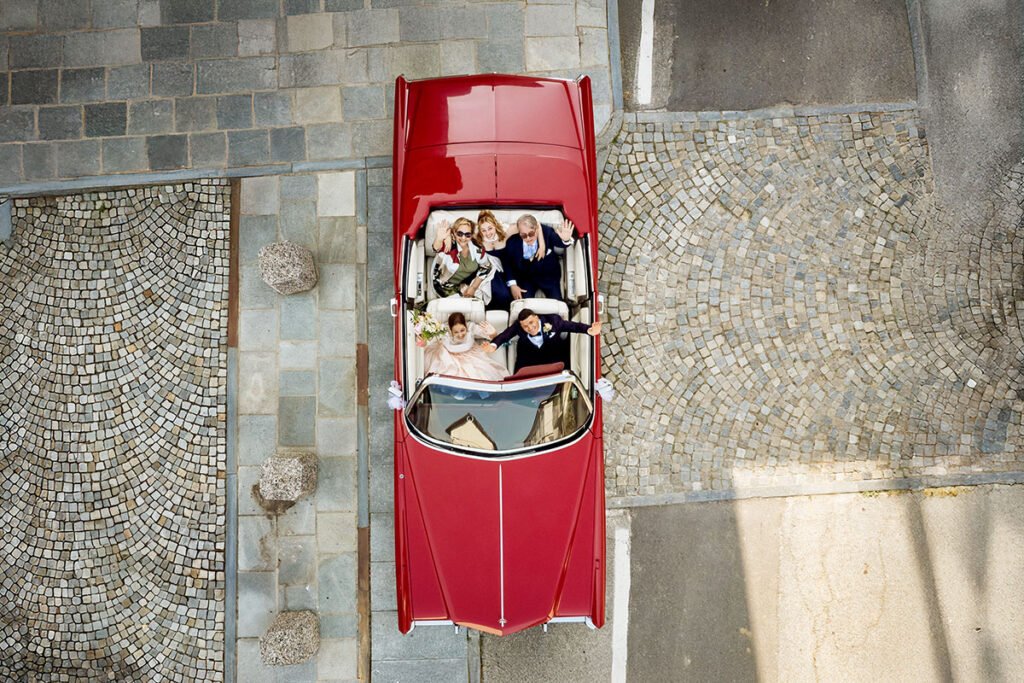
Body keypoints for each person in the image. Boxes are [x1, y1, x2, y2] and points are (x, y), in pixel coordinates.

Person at [482, 307, 600, 373]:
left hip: (554, 354)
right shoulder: (518, 326)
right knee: (521, 376)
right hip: (528, 357)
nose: (529, 328)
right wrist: (493, 346)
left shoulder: (553, 321)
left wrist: (589, 330)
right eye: (525, 326)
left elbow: (573, 326)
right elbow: (504, 336)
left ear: (536, 318)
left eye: (531, 322)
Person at [498, 214, 575, 300]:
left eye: (531, 234)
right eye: (524, 235)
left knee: (556, 304)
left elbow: (557, 241)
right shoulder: (513, 241)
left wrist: (565, 240)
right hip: (526, 277)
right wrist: (513, 285)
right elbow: (507, 263)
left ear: (536, 229)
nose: (528, 238)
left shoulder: (547, 232)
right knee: (524, 304)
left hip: (549, 276)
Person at [424, 312, 507, 381]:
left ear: (466, 326)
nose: (460, 335)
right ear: (450, 329)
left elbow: (491, 336)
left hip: (470, 355)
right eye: (456, 332)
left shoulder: (471, 327)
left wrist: (492, 333)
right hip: (449, 356)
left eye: (462, 330)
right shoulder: (444, 330)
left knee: (477, 374)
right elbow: (431, 340)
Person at [431, 217, 495, 303]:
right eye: (459, 234)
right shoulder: (449, 244)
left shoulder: (477, 248)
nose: (463, 238)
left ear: (472, 235)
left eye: (467, 234)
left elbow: (486, 267)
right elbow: (437, 248)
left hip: (467, 283)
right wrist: (439, 238)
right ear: (454, 232)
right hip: (444, 286)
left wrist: (473, 288)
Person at [475, 210, 513, 309]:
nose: (487, 233)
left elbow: (529, 224)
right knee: (501, 295)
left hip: (506, 269)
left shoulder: (506, 232)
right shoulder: (477, 237)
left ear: (495, 225)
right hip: (491, 272)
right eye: (483, 230)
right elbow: (458, 235)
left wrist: (542, 245)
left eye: (490, 228)